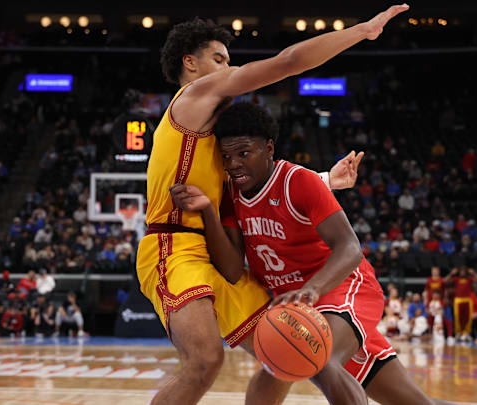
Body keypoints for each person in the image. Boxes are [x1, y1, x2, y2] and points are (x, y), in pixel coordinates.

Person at [136, 6, 408, 405]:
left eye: (229, 61)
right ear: (189, 63)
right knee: (206, 361)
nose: (230, 68)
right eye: (219, 59)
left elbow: (261, 189)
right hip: (174, 247)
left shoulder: (219, 143)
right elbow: (290, 61)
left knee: (289, 353)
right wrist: (363, 31)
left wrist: (327, 181)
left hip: (215, 252)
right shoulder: (194, 96)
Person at [170, 102, 453, 405]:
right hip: (298, 303)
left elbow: (350, 248)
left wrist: (311, 289)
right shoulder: (231, 195)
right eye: (226, 157)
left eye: (244, 153)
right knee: (414, 403)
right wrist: (210, 214)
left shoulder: (298, 181)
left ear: (268, 148)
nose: (234, 163)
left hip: (341, 288)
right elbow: (231, 270)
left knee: (322, 362)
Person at [444, 266, 477, 341]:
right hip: (458, 300)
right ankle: (459, 333)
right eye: (461, 271)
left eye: (464, 271)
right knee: (458, 317)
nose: (462, 272)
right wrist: (451, 273)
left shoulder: (469, 279)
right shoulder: (456, 279)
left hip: (468, 300)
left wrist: (474, 273)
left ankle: (467, 333)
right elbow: (445, 281)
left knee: (468, 317)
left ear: (466, 271)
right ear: (459, 272)